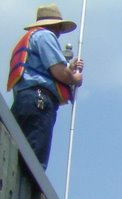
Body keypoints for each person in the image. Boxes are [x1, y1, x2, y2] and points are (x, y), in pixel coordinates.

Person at [7, 4, 84, 169]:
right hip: (39, 101)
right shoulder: (45, 36)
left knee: (16, 150)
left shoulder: (32, 37)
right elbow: (59, 72)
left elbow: (42, 70)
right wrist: (75, 77)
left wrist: (68, 68)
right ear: (56, 25)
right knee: (34, 161)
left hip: (24, 100)